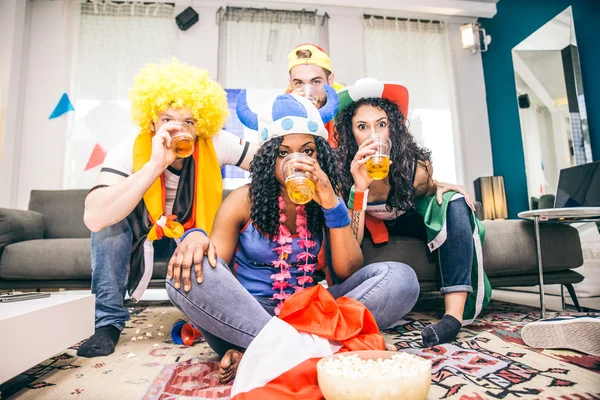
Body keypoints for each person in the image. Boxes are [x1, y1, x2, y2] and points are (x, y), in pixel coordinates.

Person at [166, 84, 420, 383]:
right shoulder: (242, 200)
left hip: (312, 312)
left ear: (319, 156)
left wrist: (331, 203)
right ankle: (307, 351)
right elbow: (213, 269)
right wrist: (194, 237)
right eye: (283, 152)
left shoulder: (328, 195)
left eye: (307, 151)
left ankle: (265, 354)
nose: (296, 161)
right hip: (248, 315)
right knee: (183, 275)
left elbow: (347, 269)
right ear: (267, 158)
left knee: (401, 278)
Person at [77, 60, 257, 358]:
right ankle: (107, 324)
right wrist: (155, 164)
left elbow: (270, 164)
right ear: (151, 122)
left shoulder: (215, 142)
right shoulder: (127, 150)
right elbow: (94, 217)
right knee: (109, 225)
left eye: (188, 121)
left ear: (201, 124)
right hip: (143, 235)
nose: (178, 129)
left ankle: (216, 313)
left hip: (195, 233)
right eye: (167, 120)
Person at [334, 78, 492, 347]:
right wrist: (359, 188)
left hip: (408, 219)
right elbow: (348, 244)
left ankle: (453, 318)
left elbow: (431, 191)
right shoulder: (340, 175)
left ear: (392, 129)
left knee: (454, 202)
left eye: (381, 125)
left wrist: (443, 186)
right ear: (351, 133)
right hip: (370, 225)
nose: (373, 135)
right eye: (363, 127)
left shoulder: (414, 168)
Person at [286, 43, 343, 146]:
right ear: (291, 84)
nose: (309, 92)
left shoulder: (347, 113)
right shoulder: (280, 115)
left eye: (315, 82)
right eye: (299, 83)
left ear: (330, 81)